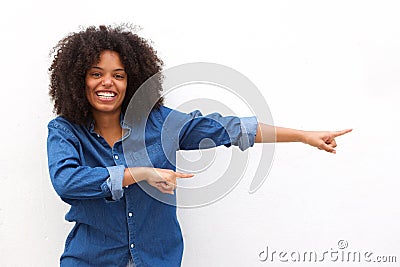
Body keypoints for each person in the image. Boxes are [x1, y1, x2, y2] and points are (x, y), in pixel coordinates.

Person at [47, 25, 351, 267]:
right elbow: (67, 182)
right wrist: (140, 172)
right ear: (77, 80)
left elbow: (227, 129)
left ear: (133, 81)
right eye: (96, 74)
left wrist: (301, 135)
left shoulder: (160, 124)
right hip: (90, 260)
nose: (107, 83)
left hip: (157, 260)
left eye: (119, 75)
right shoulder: (64, 131)